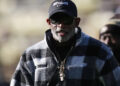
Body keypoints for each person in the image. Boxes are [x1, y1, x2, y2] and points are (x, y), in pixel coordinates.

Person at [10, 0, 120, 86]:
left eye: (66, 20)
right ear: (49, 22)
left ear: (76, 22)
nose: (61, 26)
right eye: (56, 20)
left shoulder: (99, 51)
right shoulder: (31, 55)